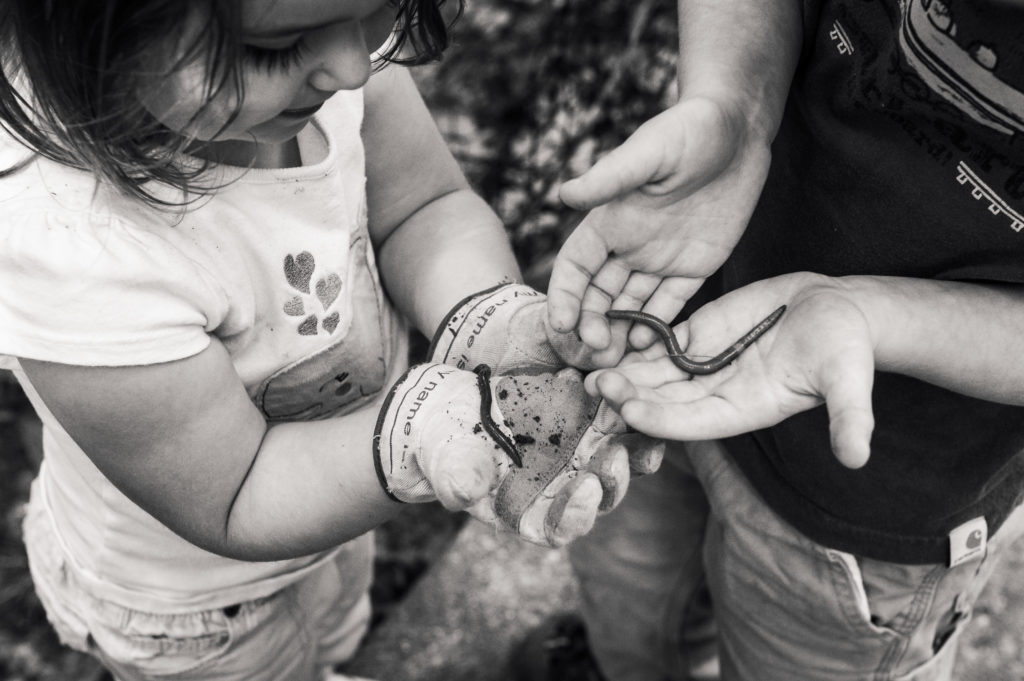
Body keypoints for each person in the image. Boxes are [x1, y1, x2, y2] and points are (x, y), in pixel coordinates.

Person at [0, 1, 652, 679]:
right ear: (93, 49)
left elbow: (423, 210)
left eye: (379, 9)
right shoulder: (71, 246)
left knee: (337, 630)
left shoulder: (328, 51)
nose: (349, 67)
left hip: (335, 504)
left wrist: (486, 313)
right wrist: (414, 435)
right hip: (194, 611)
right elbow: (238, 492)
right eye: (271, 50)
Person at [523, 0, 1024, 679]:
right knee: (634, 597)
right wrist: (735, 103)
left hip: (882, 501)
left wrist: (875, 315)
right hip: (687, 308)